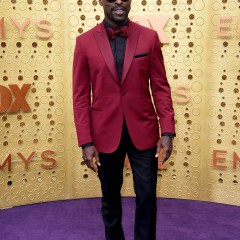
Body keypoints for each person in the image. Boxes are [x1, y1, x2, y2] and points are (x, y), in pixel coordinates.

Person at [72, 0, 175, 239]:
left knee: (147, 197)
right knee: (110, 199)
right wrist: (86, 142)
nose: (119, 1)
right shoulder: (84, 42)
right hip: (104, 134)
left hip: (145, 132)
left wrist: (167, 131)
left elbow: (160, 87)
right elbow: (79, 96)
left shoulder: (149, 37)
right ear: (100, 1)